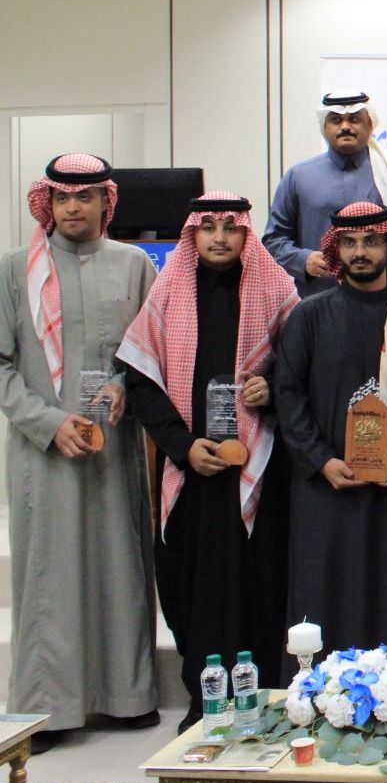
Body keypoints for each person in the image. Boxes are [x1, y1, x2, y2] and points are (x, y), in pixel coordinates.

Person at [119, 192, 299, 731]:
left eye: (230, 227)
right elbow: (142, 380)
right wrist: (182, 446)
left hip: (259, 471)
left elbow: (302, 370)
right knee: (191, 586)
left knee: (258, 585)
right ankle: (204, 702)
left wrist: (273, 390)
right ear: (192, 234)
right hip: (191, 472)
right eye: (208, 227)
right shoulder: (168, 292)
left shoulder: (276, 290)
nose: (219, 238)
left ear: (246, 234)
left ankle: (261, 699)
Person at [0, 154, 159, 750]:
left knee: (120, 566)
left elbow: (148, 350)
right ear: (48, 202)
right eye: (63, 197)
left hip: (113, 447)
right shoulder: (15, 270)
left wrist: (124, 386)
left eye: (85, 197)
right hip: (43, 454)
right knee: (50, 577)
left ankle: (126, 696)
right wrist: (47, 422)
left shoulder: (134, 264)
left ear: (104, 202)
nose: (73, 208)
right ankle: (46, 708)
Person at [272, 201, 387, 670]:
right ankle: (319, 694)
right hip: (325, 490)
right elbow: (288, 397)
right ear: (335, 250)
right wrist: (321, 460)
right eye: (349, 242)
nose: (360, 251)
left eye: (370, 241)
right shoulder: (309, 316)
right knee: (323, 596)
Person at [264, 90, 387, 297]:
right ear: (324, 127)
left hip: (383, 298)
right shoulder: (298, 176)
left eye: (354, 119)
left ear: (370, 124)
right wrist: (303, 260)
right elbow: (274, 237)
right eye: (336, 120)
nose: (345, 127)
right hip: (317, 298)